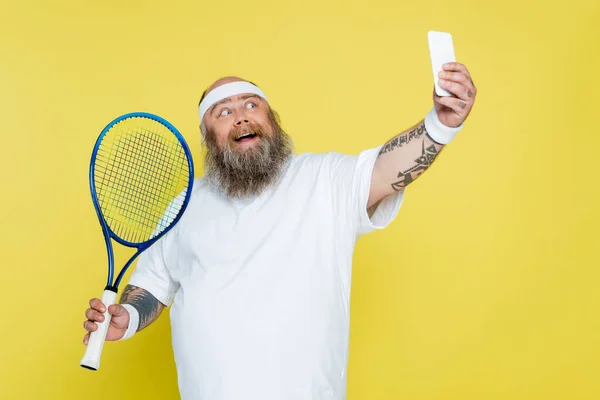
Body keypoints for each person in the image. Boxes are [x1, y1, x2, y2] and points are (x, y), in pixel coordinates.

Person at [83, 63, 477, 400]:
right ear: (208, 139)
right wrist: (129, 317)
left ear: (271, 122)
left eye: (251, 105)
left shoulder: (322, 180)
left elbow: (387, 170)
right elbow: (154, 283)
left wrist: (440, 125)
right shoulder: (185, 204)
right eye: (222, 112)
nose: (241, 116)